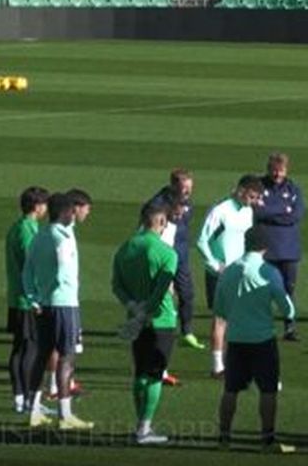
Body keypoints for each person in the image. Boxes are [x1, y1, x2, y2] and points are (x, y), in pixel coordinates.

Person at [213, 227, 296, 453]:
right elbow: (286, 307)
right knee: (268, 390)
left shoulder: (229, 272)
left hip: (237, 339)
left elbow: (220, 309)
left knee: (230, 390)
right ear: (265, 247)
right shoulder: (268, 272)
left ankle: (224, 437)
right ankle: (267, 440)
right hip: (262, 340)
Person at [21, 192, 93, 430]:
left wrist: (34, 297)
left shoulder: (39, 235)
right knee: (67, 357)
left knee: (42, 356)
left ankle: (34, 410)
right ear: (66, 212)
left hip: (44, 303)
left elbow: (27, 271)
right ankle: (65, 414)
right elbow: (64, 268)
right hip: (64, 303)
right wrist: (61, 287)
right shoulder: (63, 238)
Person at [111, 202, 179, 444]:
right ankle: (144, 429)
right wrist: (146, 311)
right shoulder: (167, 253)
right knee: (154, 374)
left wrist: (133, 308)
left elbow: (116, 286)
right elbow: (161, 292)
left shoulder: (125, 248)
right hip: (161, 321)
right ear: (161, 222)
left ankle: (140, 425)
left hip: (136, 320)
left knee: (140, 373)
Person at [197, 174, 265, 377]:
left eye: (255, 198)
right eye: (251, 197)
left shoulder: (248, 211)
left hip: (241, 271)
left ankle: (235, 361)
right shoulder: (221, 210)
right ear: (241, 190)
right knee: (221, 319)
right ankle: (217, 366)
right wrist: (214, 264)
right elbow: (202, 240)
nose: (253, 201)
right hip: (221, 273)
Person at [5, 186, 49, 414]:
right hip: (26, 300)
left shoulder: (21, 227)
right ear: (37, 206)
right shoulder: (26, 231)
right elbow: (29, 267)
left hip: (17, 297)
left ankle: (21, 398)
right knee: (29, 349)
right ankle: (27, 400)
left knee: (20, 348)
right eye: (44, 204)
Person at [149, 168, 202, 351]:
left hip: (181, 256)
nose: (187, 192)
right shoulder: (158, 203)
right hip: (163, 258)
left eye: (190, 187)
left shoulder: (187, 202)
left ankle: (187, 332)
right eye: (184, 188)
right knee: (162, 296)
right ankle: (154, 330)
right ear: (173, 186)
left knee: (187, 294)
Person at [256, 153, 306, 342]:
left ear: (287, 170)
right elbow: (258, 211)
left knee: (289, 289)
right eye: (274, 170)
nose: (277, 174)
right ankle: (263, 325)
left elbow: (296, 215)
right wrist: (282, 212)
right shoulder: (259, 186)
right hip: (265, 248)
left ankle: (290, 326)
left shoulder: (293, 189)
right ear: (269, 169)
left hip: (289, 249)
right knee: (262, 289)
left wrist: (271, 213)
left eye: (281, 170)